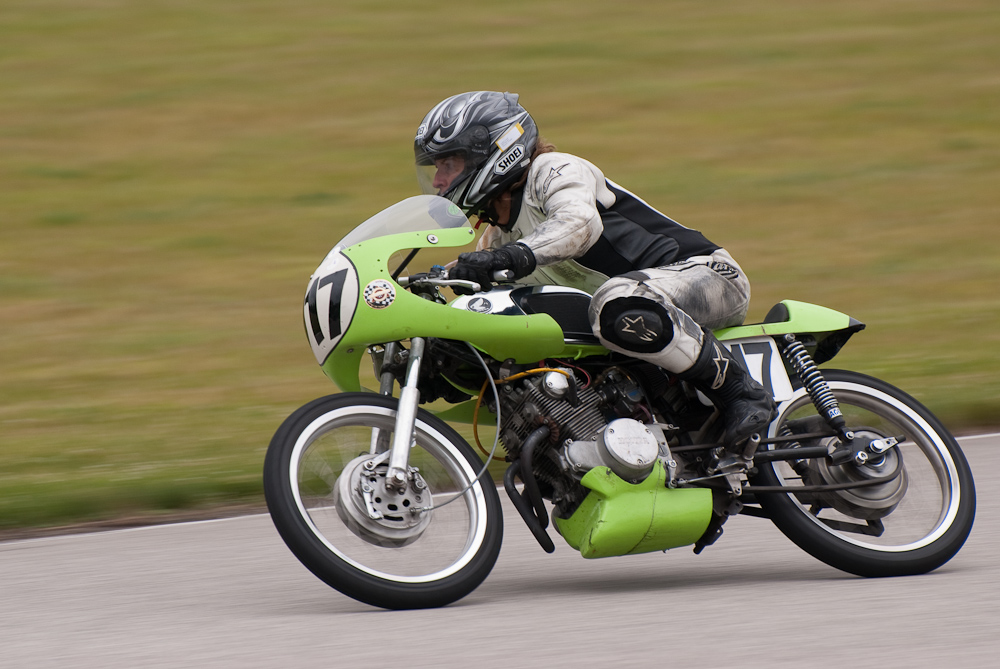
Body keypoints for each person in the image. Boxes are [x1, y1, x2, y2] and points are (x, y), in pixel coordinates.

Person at [414, 91, 776, 449]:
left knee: (616, 304)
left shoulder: (553, 171)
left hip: (708, 276)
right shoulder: (497, 237)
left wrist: (507, 258)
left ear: (497, 152)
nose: (438, 181)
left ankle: (742, 393)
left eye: (449, 164)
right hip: (637, 314)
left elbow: (579, 224)